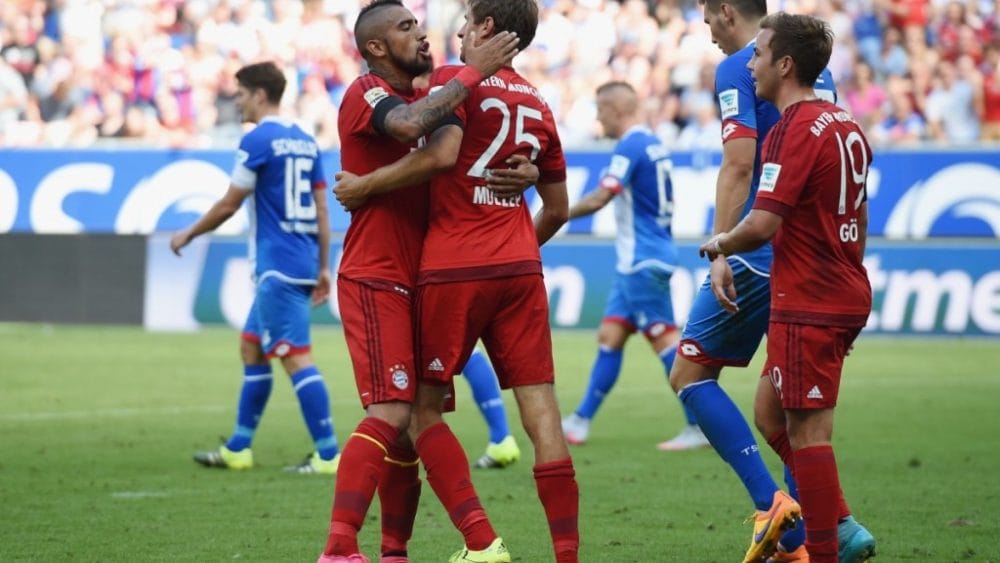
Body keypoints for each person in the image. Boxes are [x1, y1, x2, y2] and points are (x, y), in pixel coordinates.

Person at [333, 2, 579, 561]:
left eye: (467, 22)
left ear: (488, 29)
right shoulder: (540, 101)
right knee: (542, 413)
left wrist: (366, 186)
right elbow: (559, 208)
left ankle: (474, 542)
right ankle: (567, 554)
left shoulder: (451, 82)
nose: (451, 32)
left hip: (449, 267)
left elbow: (441, 150)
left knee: (413, 412)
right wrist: (516, 242)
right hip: (519, 264)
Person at [669, 1, 872, 561]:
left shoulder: (743, 70)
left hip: (778, 260)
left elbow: (740, 166)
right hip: (828, 266)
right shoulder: (828, 95)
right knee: (774, 411)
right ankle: (826, 527)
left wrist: (719, 247)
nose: (709, 31)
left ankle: (786, 513)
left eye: (709, 16)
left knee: (689, 372)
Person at [169, 61, 339, 475]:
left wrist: (188, 233)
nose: (238, 101)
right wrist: (321, 266)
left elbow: (230, 203)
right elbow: (321, 206)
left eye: (241, 94)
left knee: (296, 358)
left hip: (276, 267)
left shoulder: (257, 140)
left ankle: (329, 453)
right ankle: (239, 448)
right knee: (251, 346)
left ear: (260, 95)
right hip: (300, 261)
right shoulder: (304, 140)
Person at [559, 80, 710, 452]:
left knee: (665, 341)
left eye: (600, 109)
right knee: (610, 337)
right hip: (638, 260)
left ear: (616, 110)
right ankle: (579, 421)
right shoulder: (654, 142)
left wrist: (555, 215)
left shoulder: (631, 144)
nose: (597, 118)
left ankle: (701, 424)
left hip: (643, 260)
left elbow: (601, 196)